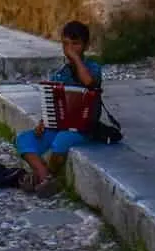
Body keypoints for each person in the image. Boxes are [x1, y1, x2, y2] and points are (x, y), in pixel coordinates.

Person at [16, 20, 102, 198]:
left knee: (60, 142)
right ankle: (45, 177)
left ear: (85, 46)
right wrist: (43, 122)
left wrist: (76, 59)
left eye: (75, 44)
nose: (69, 49)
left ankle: (41, 177)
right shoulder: (60, 74)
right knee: (24, 140)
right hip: (58, 125)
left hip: (82, 128)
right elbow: (52, 103)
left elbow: (89, 83)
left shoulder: (93, 68)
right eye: (65, 44)